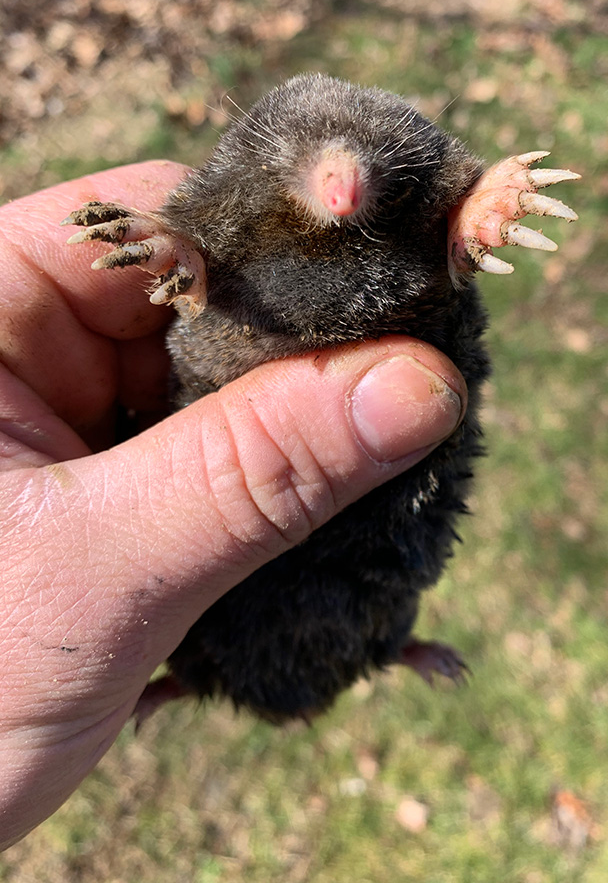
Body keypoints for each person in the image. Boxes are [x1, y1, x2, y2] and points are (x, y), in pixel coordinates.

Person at [0, 161, 467, 849]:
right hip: (275, 623)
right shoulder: (222, 235)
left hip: (354, 585)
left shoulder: (424, 254)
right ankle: (195, 678)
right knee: (257, 622)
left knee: (373, 583)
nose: (339, 192)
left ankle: (386, 652)